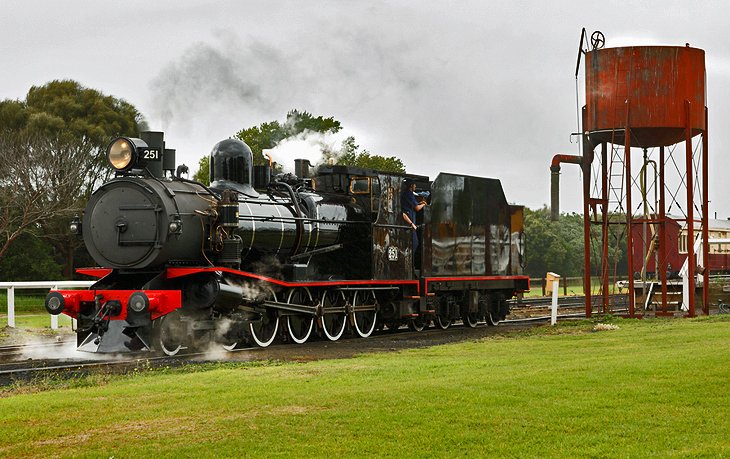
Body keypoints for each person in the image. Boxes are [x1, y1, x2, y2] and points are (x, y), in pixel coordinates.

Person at [401, 179, 427, 251]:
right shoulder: (409, 194)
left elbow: (413, 205)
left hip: (410, 221)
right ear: (411, 185)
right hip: (409, 222)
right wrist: (424, 204)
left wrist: (420, 203)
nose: (415, 186)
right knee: (414, 244)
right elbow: (417, 208)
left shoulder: (408, 194)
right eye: (415, 185)